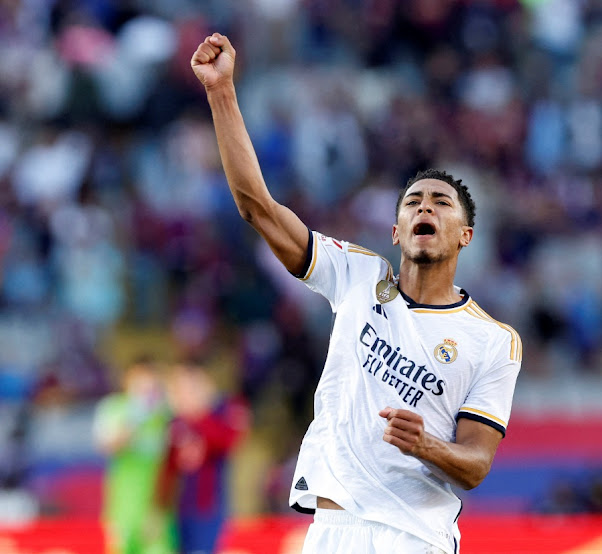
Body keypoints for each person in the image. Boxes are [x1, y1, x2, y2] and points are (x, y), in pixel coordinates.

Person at [191, 33, 522, 554]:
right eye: (413, 202)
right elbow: (258, 207)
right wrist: (222, 92)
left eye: (441, 202)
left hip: (415, 537)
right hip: (331, 531)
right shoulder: (356, 276)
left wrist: (428, 446)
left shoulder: (493, 340)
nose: (425, 208)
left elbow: (477, 464)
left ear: (465, 235)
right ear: (395, 231)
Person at [157, 362, 249, 554]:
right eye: (178, 388)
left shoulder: (221, 411)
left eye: (189, 387)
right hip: (180, 507)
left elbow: (228, 441)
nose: (184, 394)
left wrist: (199, 415)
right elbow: (168, 467)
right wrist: (160, 505)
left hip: (211, 506)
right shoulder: (175, 421)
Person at [92, 357, 176, 554]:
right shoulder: (113, 408)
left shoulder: (167, 412)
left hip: (158, 506)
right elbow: (107, 446)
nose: (145, 386)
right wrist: (136, 416)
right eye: (139, 380)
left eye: (151, 380)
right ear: (127, 380)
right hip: (123, 505)